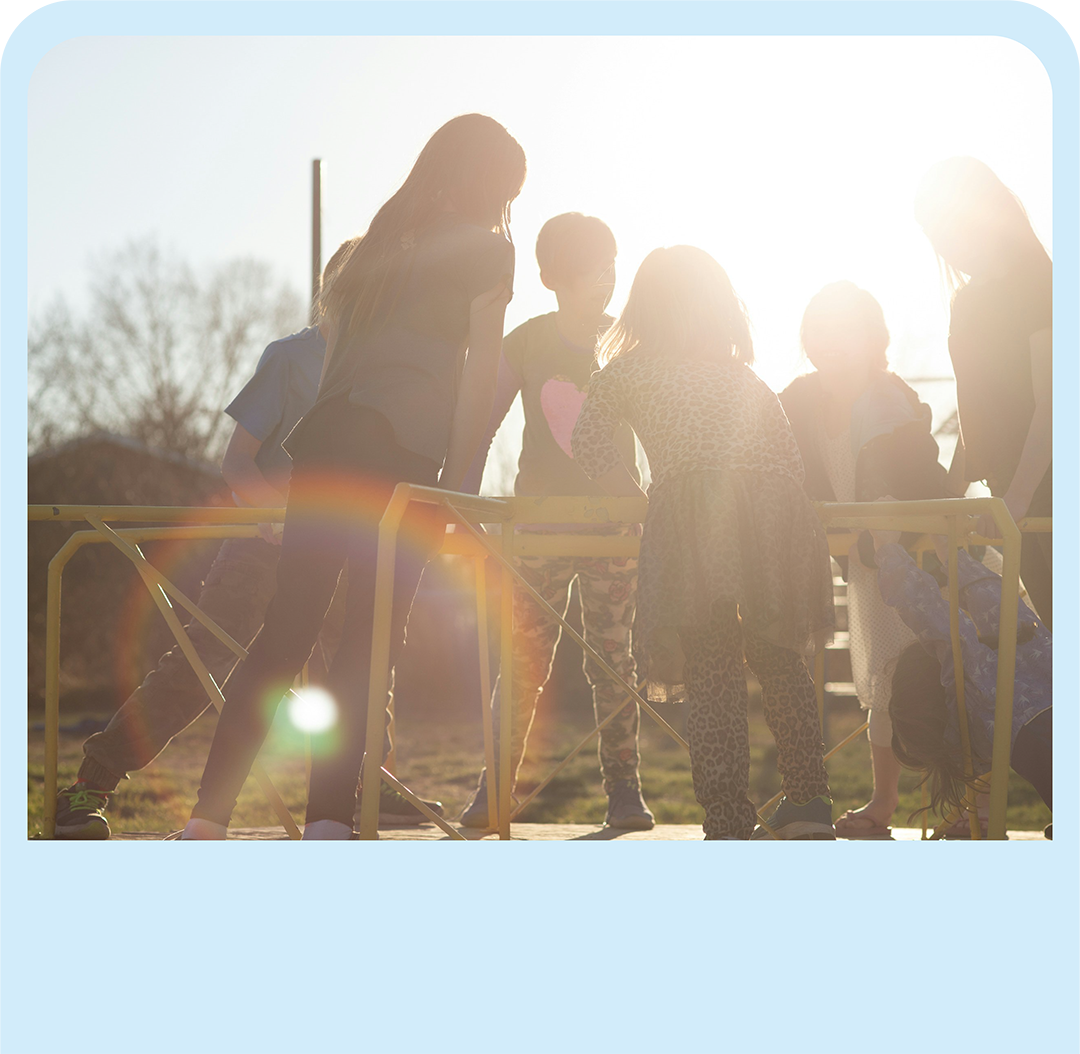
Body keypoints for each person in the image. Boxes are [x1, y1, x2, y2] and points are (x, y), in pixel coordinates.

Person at [182, 114, 526, 839]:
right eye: (508, 193)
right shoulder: (489, 251)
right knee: (369, 643)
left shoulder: (373, 246)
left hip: (325, 451)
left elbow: (339, 364)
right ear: (492, 185)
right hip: (401, 459)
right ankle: (329, 822)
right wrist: (458, 485)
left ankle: (207, 820)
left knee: (285, 631)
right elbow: (479, 376)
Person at [52, 245, 443, 838]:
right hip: (265, 541)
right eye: (357, 287)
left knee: (362, 664)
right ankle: (91, 784)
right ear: (332, 291)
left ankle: (367, 785)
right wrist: (275, 515)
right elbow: (237, 461)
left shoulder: (381, 367)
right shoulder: (290, 357)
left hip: (344, 546)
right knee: (201, 659)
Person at [571, 245, 836, 840]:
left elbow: (587, 441)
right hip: (776, 514)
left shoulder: (628, 371)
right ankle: (810, 803)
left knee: (713, 664)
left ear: (644, 307)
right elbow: (789, 461)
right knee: (780, 657)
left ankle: (728, 816)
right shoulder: (744, 377)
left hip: (695, 516)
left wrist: (644, 507)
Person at [458, 213, 653, 831]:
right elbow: (484, 420)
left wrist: (655, 504)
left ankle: (625, 790)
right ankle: (494, 791)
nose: (605, 279)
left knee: (614, 660)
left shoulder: (627, 343)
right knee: (523, 662)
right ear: (551, 278)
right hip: (539, 529)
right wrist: (461, 496)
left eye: (611, 266)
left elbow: (657, 426)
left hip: (615, 527)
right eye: (590, 269)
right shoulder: (527, 342)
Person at [779, 281, 951, 838]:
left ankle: (964, 806)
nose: (830, 343)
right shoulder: (800, 400)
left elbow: (924, 477)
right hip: (866, 564)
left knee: (943, 677)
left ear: (873, 339)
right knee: (884, 678)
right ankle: (884, 802)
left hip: (919, 558)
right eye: (819, 331)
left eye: (844, 331)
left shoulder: (890, 398)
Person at [915, 157, 1052, 629]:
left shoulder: (1040, 281)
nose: (945, 243)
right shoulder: (967, 302)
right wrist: (949, 500)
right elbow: (977, 413)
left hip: (1046, 490)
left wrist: (1019, 497)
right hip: (1009, 495)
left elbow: (1054, 401)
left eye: (949, 225)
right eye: (934, 233)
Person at [867, 523, 1051, 836]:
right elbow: (987, 602)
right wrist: (942, 549)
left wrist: (889, 551)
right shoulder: (1029, 650)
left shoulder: (981, 717)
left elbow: (940, 622)